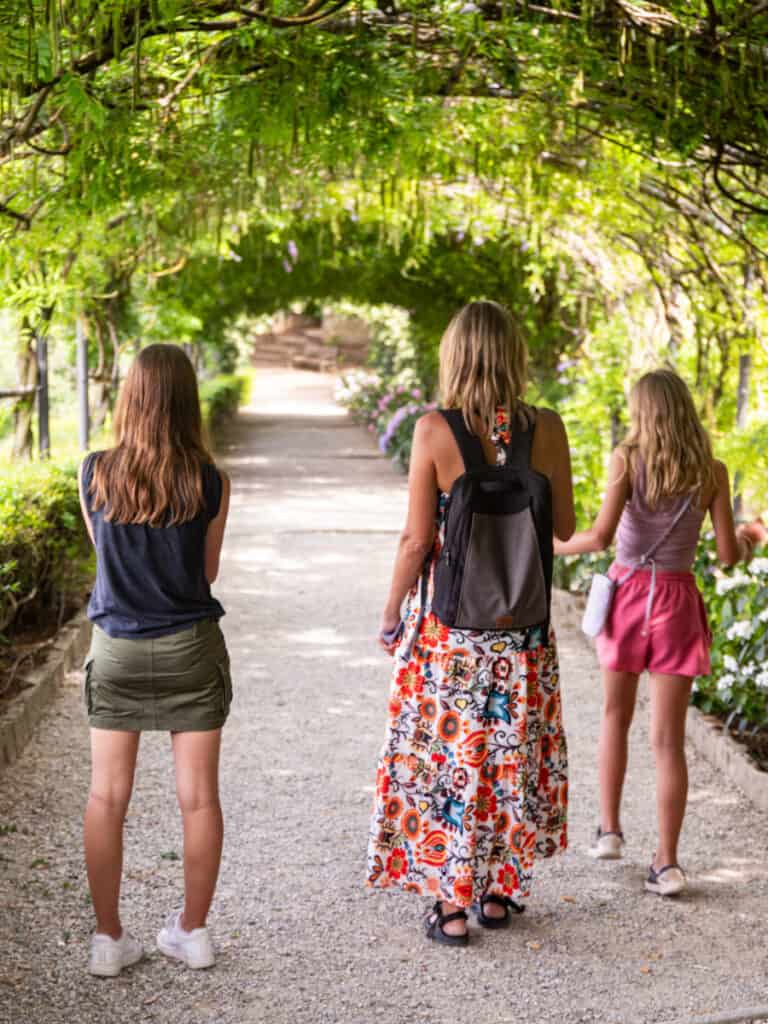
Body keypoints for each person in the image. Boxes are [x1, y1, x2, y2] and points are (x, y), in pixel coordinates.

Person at [366, 300, 575, 945]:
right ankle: (496, 893)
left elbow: (415, 540)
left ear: (455, 356)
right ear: (515, 355)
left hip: (452, 635)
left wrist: (391, 611)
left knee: (450, 759)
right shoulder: (547, 428)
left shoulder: (435, 431)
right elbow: (565, 527)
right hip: (524, 632)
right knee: (508, 756)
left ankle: (450, 907)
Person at [555, 368, 765, 896]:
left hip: (627, 596)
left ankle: (609, 831)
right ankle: (667, 864)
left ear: (642, 411)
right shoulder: (712, 472)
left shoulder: (626, 460)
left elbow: (600, 536)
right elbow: (727, 555)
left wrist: (548, 542)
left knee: (615, 716)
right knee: (669, 740)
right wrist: (749, 538)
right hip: (676, 602)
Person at [77, 344, 232, 976]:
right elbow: (207, 571)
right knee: (198, 799)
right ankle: (192, 933)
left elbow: (108, 561)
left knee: (106, 796)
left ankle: (108, 940)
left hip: (116, 647)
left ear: (130, 397)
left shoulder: (94, 472)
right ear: (188, 402)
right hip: (189, 647)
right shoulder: (209, 480)